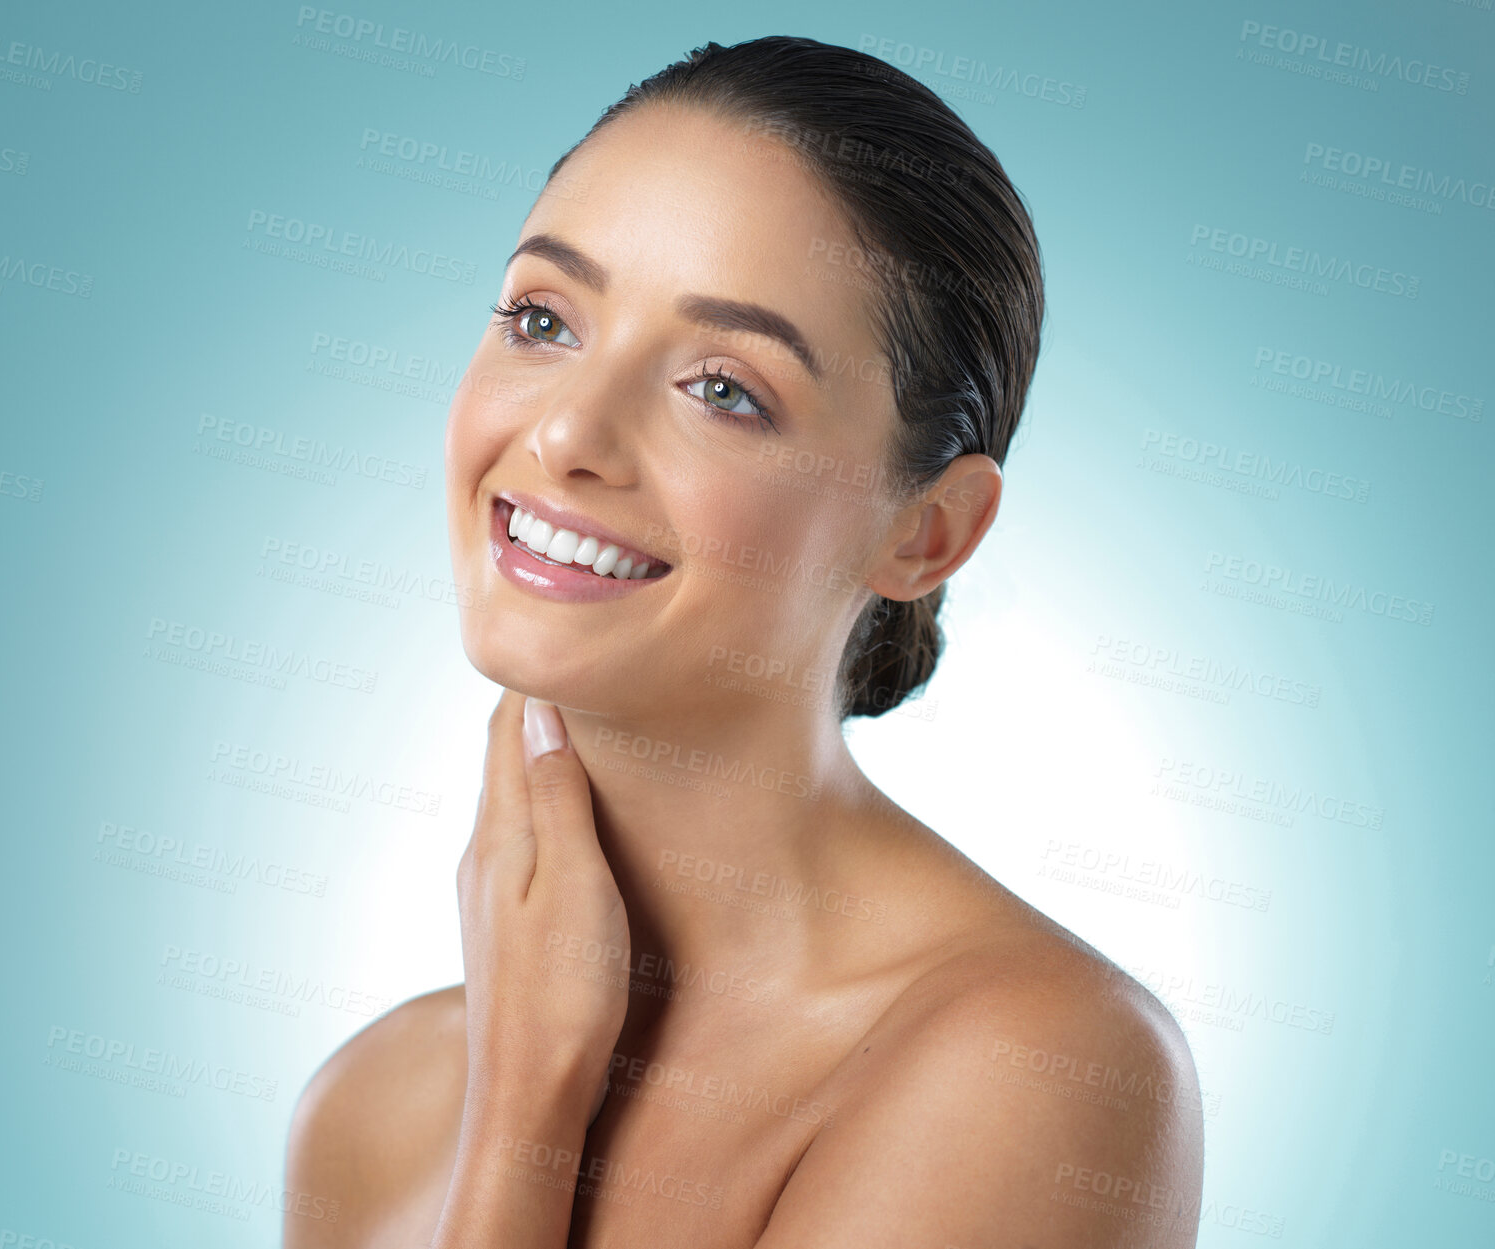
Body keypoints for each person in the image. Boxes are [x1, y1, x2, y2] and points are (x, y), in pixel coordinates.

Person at [284, 35, 1204, 1248]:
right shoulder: (371, 1103)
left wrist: (524, 1122)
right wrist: (517, 1074)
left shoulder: (1039, 1064)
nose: (566, 432)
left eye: (723, 387)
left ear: (926, 534)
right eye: (543, 318)